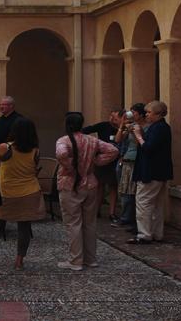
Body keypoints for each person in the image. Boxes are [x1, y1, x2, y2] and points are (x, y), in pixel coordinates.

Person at [55, 112, 119, 270]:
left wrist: (70, 166)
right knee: (89, 223)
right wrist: (96, 161)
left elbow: (61, 153)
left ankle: (76, 260)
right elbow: (113, 150)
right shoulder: (92, 140)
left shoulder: (64, 140)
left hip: (70, 184)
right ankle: (90, 259)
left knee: (73, 223)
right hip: (90, 183)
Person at [0, 117, 46, 270]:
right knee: (24, 227)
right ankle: (19, 260)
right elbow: (35, 168)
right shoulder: (35, 150)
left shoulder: (5, 147)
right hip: (29, 191)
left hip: (7, 191)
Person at [128, 101, 173, 245]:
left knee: (144, 203)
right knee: (157, 204)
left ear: (158, 114)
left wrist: (139, 135)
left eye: (149, 112)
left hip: (151, 171)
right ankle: (156, 233)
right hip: (158, 171)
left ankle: (144, 234)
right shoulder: (160, 127)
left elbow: (148, 148)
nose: (146, 115)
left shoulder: (159, 128)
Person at [83, 109, 124, 221]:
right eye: (111, 116)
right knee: (99, 185)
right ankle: (96, 211)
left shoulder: (123, 128)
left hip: (115, 160)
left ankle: (112, 213)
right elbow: (86, 130)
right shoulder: (103, 126)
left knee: (113, 186)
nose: (112, 119)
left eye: (115, 117)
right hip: (101, 160)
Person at [113, 103, 146, 230]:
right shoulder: (131, 126)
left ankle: (129, 218)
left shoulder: (144, 127)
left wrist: (136, 131)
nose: (131, 115)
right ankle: (126, 217)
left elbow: (142, 143)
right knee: (124, 191)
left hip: (135, 161)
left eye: (134, 113)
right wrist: (122, 126)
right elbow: (117, 140)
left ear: (140, 114)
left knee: (132, 192)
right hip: (126, 160)